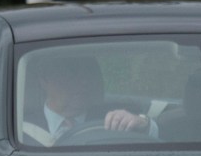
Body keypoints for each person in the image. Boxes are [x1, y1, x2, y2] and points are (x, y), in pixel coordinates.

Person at [24, 57, 157, 142]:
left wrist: (142, 124)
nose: (84, 82)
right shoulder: (18, 127)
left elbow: (158, 141)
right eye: (71, 73)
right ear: (44, 80)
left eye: (88, 73)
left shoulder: (117, 117)